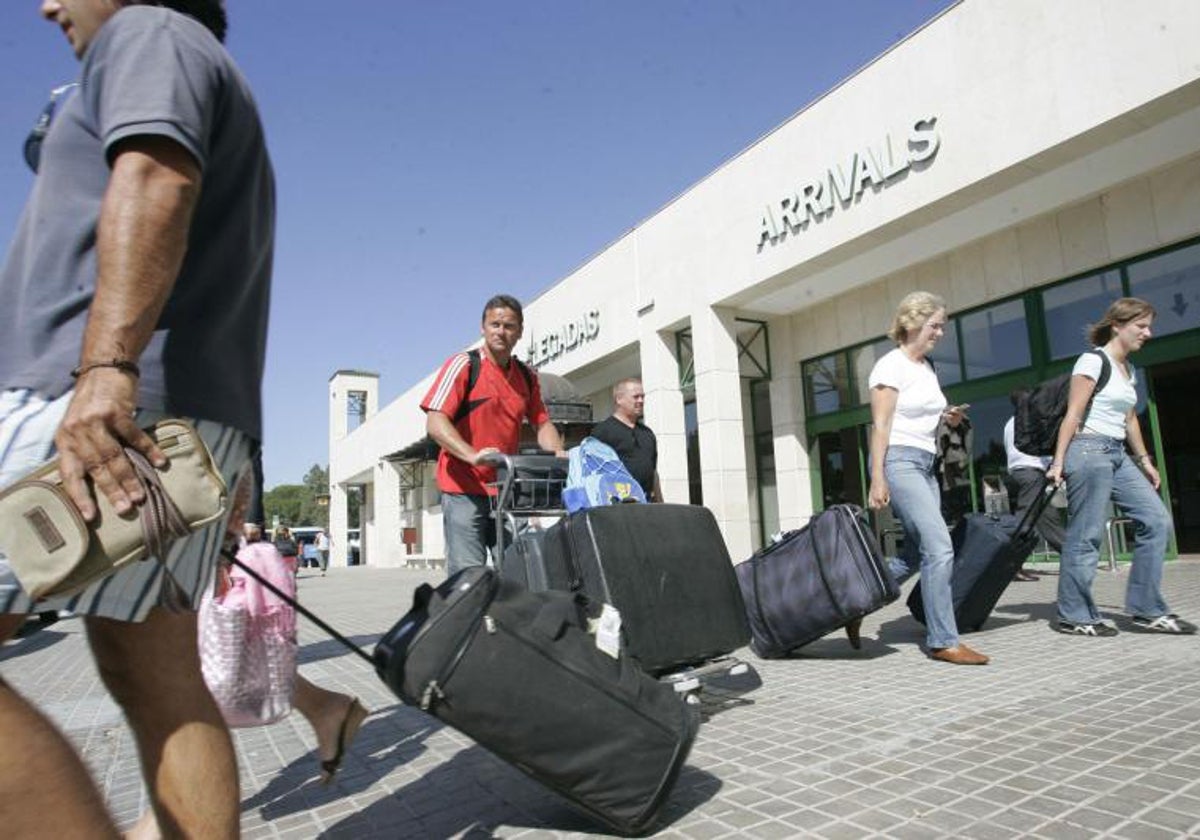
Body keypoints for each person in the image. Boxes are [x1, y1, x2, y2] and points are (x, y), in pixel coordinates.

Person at [0, 2, 274, 836]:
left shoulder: (149, 32)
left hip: (102, 410)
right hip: (168, 418)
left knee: (157, 680)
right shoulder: (187, 57)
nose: (48, 5)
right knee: (158, 680)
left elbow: (157, 175)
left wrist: (105, 370)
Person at [1047, 297, 1194, 637]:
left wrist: (1145, 461)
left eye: (1149, 326)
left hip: (1117, 453)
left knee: (1156, 520)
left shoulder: (1130, 369)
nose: (1148, 333)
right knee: (1087, 535)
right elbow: (1073, 414)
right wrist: (1058, 462)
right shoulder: (1092, 360)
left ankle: (1145, 608)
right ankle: (1075, 613)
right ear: (1118, 326)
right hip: (1088, 451)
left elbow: (1129, 420)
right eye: (1141, 326)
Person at [868, 291, 988, 665]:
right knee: (939, 547)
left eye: (941, 326)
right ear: (912, 322)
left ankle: (852, 599)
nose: (939, 333)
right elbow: (881, 426)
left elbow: (920, 413)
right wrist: (877, 478)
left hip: (925, 462)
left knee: (915, 554)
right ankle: (943, 640)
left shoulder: (927, 367)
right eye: (935, 325)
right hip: (900, 463)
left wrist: (947, 416)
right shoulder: (890, 366)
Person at [422, 295, 566, 575]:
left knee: (520, 571)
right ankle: (469, 618)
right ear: (483, 327)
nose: (501, 331)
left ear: (520, 332)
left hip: (505, 488)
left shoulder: (526, 376)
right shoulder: (464, 365)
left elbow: (542, 423)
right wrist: (472, 455)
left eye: (509, 326)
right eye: (495, 324)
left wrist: (557, 453)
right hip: (462, 488)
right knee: (469, 578)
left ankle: (508, 619)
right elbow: (435, 421)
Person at [1003, 415, 1062, 581]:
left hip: (1020, 472)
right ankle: (1011, 565)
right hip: (1030, 472)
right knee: (1025, 522)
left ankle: (1074, 557)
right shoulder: (1031, 420)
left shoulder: (1011, 421)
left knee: (1048, 517)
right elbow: (1044, 446)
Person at [589, 377, 663, 502]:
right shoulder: (603, 431)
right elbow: (594, 474)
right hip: (617, 506)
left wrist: (660, 502)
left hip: (646, 503)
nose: (641, 401)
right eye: (636, 397)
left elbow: (653, 472)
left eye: (642, 397)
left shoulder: (647, 433)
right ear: (619, 399)